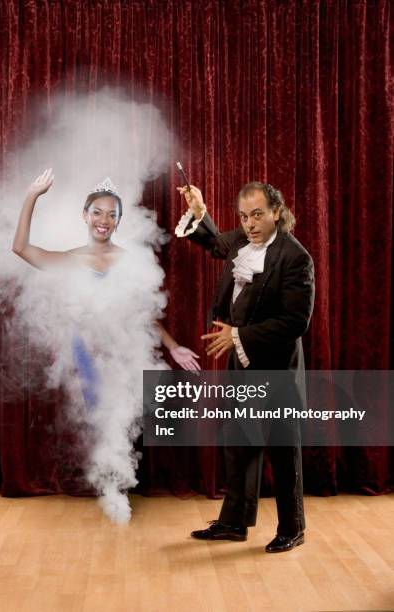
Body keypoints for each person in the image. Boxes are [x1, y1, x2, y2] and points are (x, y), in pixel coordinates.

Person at [176, 181, 315, 553]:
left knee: (283, 450)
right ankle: (235, 523)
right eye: (243, 217)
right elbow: (215, 244)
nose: (249, 224)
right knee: (239, 443)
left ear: (276, 213)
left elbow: (295, 322)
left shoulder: (295, 257)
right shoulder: (241, 240)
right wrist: (200, 211)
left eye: (257, 215)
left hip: (277, 369)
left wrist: (238, 335)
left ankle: (293, 528)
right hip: (242, 362)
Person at [12, 168, 200, 371]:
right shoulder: (70, 260)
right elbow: (20, 248)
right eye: (97, 212)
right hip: (87, 355)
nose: (103, 220)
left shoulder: (129, 261)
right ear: (85, 215)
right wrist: (32, 195)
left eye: (112, 215)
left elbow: (141, 312)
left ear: (118, 221)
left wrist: (173, 346)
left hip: (125, 352)